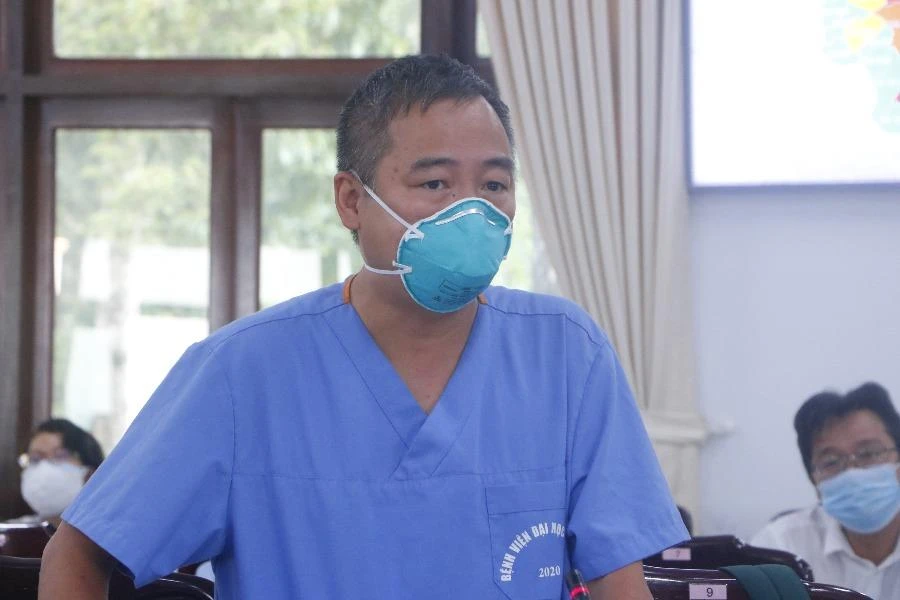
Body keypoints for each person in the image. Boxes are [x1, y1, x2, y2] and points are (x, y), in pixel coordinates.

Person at [38, 54, 687, 599]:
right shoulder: (244, 372)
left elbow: (617, 578)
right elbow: (78, 554)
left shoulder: (565, 354)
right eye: (435, 184)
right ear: (351, 200)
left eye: (494, 185)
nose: (473, 212)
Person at [751, 382, 900, 599]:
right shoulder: (780, 547)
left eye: (869, 453)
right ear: (815, 481)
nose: (852, 472)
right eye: (831, 461)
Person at [8, 418, 104, 528]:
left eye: (60, 456)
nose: (44, 468)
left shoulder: (107, 533)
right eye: (35, 458)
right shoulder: (13, 533)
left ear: (90, 472)